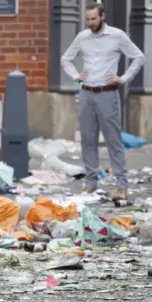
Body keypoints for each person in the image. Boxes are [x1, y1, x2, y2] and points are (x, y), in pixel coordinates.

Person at [61, 2, 144, 202]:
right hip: (87, 93)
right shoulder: (82, 37)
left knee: (113, 140)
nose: (90, 23)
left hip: (108, 94)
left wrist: (123, 78)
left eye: (93, 19)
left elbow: (139, 57)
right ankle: (91, 184)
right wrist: (76, 76)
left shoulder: (117, 35)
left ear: (102, 16)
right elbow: (66, 59)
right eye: (87, 19)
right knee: (87, 140)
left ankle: (122, 187)